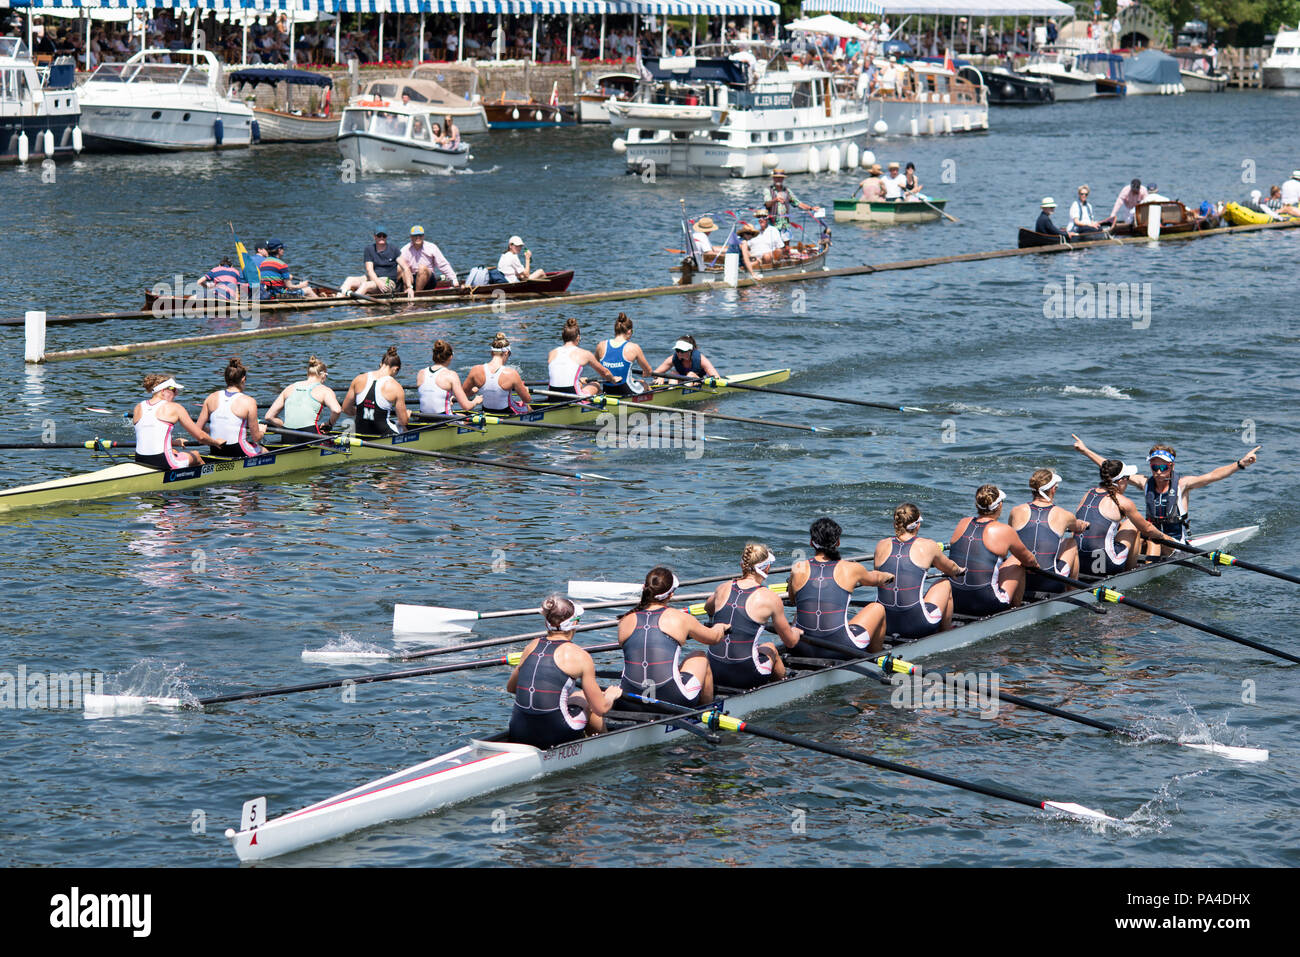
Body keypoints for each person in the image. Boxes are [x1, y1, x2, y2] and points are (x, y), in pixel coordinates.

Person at [1072, 434, 1261, 553]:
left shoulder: (1183, 484)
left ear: (1171, 466)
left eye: (1162, 467)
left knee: (1152, 541)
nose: (1158, 471)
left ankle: (1139, 567)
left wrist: (1240, 464)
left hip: (1174, 542)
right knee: (1130, 529)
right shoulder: (1145, 482)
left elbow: (1212, 476)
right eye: (1154, 467)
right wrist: (1086, 451)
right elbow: (1114, 471)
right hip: (1151, 536)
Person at [506, 595, 620, 748]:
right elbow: (601, 708)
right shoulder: (580, 656)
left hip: (518, 730)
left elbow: (511, 688)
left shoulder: (531, 646)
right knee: (585, 699)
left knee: (573, 696)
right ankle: (606, 746)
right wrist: (611, 696)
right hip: (556, 733)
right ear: (575, 623)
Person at [617, 566, 726, 711]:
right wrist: (721, 627)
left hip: (629, 699)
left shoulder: (625, 620)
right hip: (671, 698)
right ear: (671, 594)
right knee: (700, 657)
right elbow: (714, 638)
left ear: (644, 588)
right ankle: (706, 711)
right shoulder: (680, 618)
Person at [789, 517, 895, 657]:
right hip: (840, 648)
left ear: (811, 543)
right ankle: (875, 657)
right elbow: (875, 579)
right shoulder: (851, 569)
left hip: (802, 647)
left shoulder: (797, 567)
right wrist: (890, 576)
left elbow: (793, 601)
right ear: (837, 543)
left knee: (800, 612)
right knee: (878, 608)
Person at [701, 543, 801, 688]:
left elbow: (708, 608)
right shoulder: (771, 598)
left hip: (714, 670)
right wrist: (797, 631)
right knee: (770, 648)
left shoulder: (722, 588)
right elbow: (790, 642)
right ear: (766, 567)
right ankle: (781, 688)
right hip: (745, 676)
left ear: (743, 564)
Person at [874, 503, 964, 640]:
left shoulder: (881, 545)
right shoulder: (928, 546)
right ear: (918, 525)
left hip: (885, 623)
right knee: (944, 583)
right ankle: (945, 635)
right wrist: (960, 570)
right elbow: (951, 569)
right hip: (917, 625)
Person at [947, 485, 1040, 614]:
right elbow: (1029, 560)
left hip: (954, 599)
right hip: (987, 603)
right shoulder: (1004, 530)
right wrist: (1035, 566)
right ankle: (1015, 611)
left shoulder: (962, 522)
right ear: (999, 506)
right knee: (1017, 562)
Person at [1073, 460, 1165, 573]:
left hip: (1078, 560)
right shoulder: (1123, 502)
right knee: (1132, 524)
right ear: (1121, 480)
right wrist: (1161, 536)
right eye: (1127, 478)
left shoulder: (1089, 493)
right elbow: (1147, 529)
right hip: (1105, 564)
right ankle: (1130, 571)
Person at [1007, 470, 1089, 593]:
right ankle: (1073, 592)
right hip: (1050, 582)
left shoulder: (1016, 511)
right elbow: (1078, 527)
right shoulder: (1065, 515)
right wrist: (1084, 524)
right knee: (1071, 542)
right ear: (1053, 490)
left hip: (1020, 579)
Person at [132, 375, 216, 469]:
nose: (176, 394)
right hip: (163, 462)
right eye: (174, 390)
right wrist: (216, 442)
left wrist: (174, 442)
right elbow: (200, 436)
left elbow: (150, 436)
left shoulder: (138, 407)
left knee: (174, 451)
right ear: (163, 390)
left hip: (140, 460)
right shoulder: (175, 407)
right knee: (196, 455)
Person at [196, 358, 266, 458]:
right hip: (238, 450)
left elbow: (197, 429)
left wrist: (214, 429)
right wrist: (262, 431)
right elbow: (256, 437)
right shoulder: (249, 401)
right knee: (265, 451)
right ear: (243, 379)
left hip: (216, 448)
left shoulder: (211, 397)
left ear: (225, 378)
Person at [265, 355, 342, 438]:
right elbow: (337, 410)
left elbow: (268, 416)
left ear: (308, 374)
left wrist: (285, 427)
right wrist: (329, 424)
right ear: (323, 375)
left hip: (287, 435)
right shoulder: (324, 390)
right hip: (310, 435)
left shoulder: (289, 388)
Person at [342, 346, 409, 435]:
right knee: (404, 427)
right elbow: (403, 421)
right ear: (395, 369)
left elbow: (346, 409)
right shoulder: (396, 387)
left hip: (359, 432)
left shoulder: (359, 379)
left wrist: (362, 411)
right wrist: (407, 416)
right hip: (382, 433)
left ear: (381, 364)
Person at [464, 333, 531, 414]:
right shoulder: (512, 373)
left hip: (485, 412)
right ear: (506, 353)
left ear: (491, 352)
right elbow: (527, 399)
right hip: (506, 413)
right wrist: (525, 391)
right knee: (528, 406)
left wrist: (475, 390)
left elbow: (465, 394)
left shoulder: (475, 370)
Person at [416, 340, 480, 418]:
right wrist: (476, 401)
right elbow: (466, 406)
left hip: (423, 418)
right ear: (451, 357)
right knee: (470, 415)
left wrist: (448, 399)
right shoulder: (451, 375)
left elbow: (434, 394)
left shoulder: (421, 373)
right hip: (444, 420)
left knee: (459, 413)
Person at [594, 312, 653, 396]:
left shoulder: (601, 345)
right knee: (644, 383)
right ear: (629, 331)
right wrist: (645, 373)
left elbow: (595, 365)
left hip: (607, 390)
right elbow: (649, 371)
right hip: (625, 391)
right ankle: (652, 400)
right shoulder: (634, 347)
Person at [340, 230, 410, 298]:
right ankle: (338, 298)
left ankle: (350, 302)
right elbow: (369, 270)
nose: (382, 238)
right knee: (349, 279)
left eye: (384, 236)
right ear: (374, 237)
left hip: (388, 281)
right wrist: (378, 282)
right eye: (379, 236)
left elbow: (405, 268)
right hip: (373, 278)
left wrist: (409, 287)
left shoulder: (393, 249)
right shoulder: (369, 249)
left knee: (365, 285)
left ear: (386, 237)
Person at [399, 226, 457, 297]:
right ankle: (399, 291)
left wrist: (454, 279)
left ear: (423, 236)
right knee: (400, 268)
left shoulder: (432, 247)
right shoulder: (404, 250)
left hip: (428, 279)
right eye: (415, 236)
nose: (418, 237)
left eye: (420, 235)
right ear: (411, 237)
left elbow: (443, 265)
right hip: (411, 280)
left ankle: (417, 295)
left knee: (422, 268)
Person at [764, 168, 812, 241]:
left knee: (786, 247)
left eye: (780, 178)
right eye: (777, 178)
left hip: (785, 224)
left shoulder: (787, 190)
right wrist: (775, 200)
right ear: (773, 178)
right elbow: (767, 204)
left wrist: (811, 208)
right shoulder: (768, 190)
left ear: (783, 179)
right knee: (775, 247)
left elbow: (797, 203)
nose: (778, 180)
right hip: (773, 225)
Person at [654, 335, 720, 382]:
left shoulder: (701, 360)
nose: (679, 353)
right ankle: (671, 391)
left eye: (682, 351)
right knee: (673, 374)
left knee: (691, 374)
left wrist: (699, 379)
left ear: (690, 350)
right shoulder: (672, 359)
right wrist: (660, 376)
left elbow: (717, 378)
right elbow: (655, 373)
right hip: (682, 382)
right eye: (677, 350)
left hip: (697, 382)